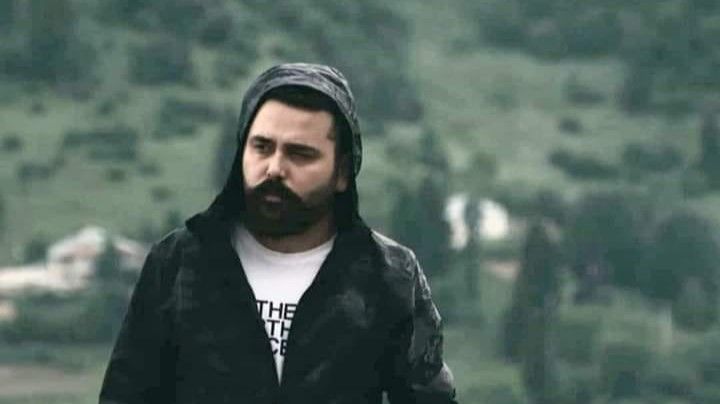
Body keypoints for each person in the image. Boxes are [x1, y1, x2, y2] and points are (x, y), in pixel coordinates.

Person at [99, 63, 458, 404]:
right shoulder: (178, 263)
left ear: (342, 172)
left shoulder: (389, 275)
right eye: (261, 147)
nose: (274, 168)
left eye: (300, 154)